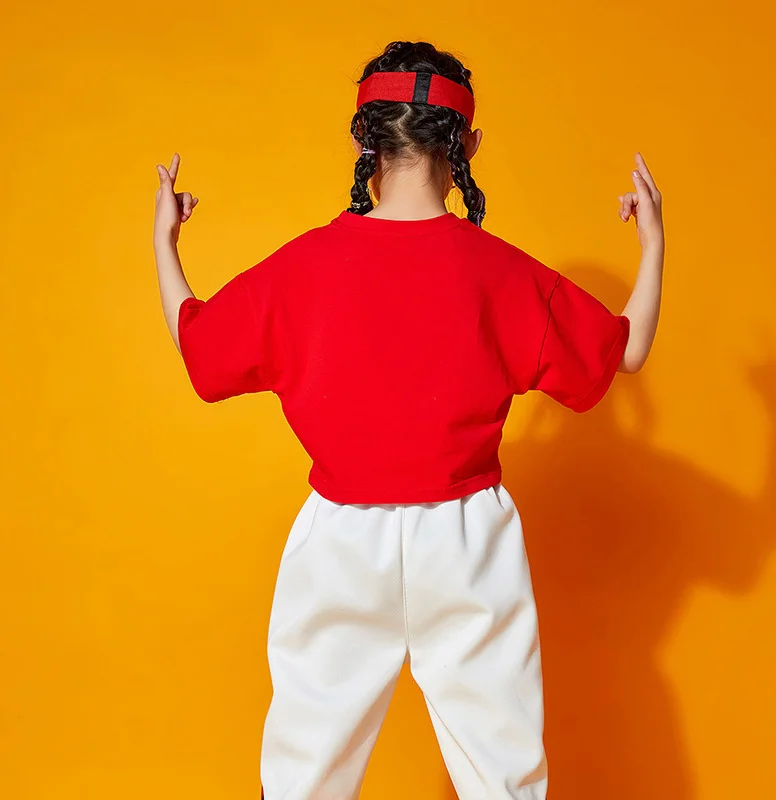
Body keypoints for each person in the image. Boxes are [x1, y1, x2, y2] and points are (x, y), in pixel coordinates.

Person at [152, 40, 664, 800]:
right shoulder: (503, 272)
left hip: (338, 538)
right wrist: (654, 242)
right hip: (467, 539)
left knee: (304, 775)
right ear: (468, 146)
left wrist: (164, 244)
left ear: (363, 139)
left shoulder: (302, 268)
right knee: (503, 775)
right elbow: (621, 352)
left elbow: (197, 342)